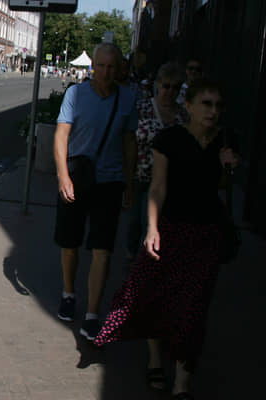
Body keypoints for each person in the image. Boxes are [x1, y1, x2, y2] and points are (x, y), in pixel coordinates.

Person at [94, 80, 239, 399]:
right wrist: (153, 228)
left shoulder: (225, 141)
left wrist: (230, 168)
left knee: (194, 308)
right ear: (188, 106)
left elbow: (225, 189)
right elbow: (158, 188)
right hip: (171, 228)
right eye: (206, 103)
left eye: (218, 105)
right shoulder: (169, 139)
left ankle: (182, 382)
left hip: (206, 234)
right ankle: (156, 359)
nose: (213, 111)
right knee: (152, 295)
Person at [53, 42, 138, 341]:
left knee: (103, 248)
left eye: (111, 67)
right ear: (93, 67)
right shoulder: (75, 94)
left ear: (119, 69)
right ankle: (68, 293)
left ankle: (92, 313)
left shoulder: (128, 98)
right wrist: (63, 176)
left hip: (110, 182)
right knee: (70, 241)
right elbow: (61, 134)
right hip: (77, 177)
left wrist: (129, 183)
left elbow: (130, 143)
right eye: (100, 66)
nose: (105, 72)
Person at [125, 62, 187, 258]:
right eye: (166, 85)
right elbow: (131, 143)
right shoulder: (142, 107)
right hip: (140, 175)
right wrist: (128, 181)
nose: (170, 91)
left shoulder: (183, 116)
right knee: (134, 222)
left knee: (149, 223)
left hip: (167, 180)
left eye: (176, 87)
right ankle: (131, 255)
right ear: (158, 84)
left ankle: (142, 265)